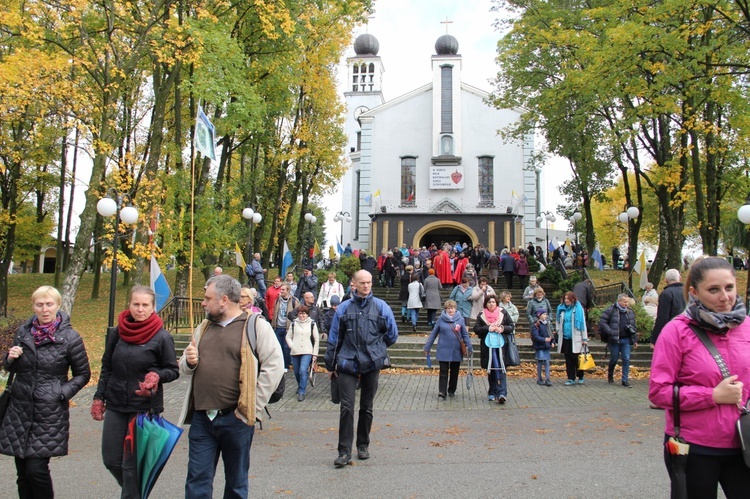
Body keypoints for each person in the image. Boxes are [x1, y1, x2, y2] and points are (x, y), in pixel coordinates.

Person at [649, 256, 750, 498]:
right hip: (694, 447)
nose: (724, 297)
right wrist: (712, 395)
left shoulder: (747, 327)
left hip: (745, 444)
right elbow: (658, 392)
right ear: (694, 292)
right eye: (713, 290)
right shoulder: (677, 331)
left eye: (729, 288)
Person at [179, 274, 284, 498]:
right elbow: (184, 366)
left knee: (236, 484)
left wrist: (251, 407)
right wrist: (188, 361)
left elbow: (274, 366)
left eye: (208, 298)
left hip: (235, 419)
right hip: (202, 420)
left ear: (224, 300)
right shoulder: (203, 327)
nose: (203, 303)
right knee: (196, 482)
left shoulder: (255, 326)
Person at [0, 286, 91, 498]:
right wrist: (10, 358)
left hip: (48, 412)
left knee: (36, 470)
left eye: (49, 304)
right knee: (22, 473)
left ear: (58, 306)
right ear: (34, 307)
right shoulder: (23, 332)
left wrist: (60, 392)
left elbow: (82, 374)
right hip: (19, 410)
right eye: (40, 305)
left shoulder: (70, 338)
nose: (44, 309)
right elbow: (11, 368)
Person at [91, 285, 179, 498]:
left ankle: (133, 493)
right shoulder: (117, 333)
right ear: (129, 305)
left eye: (145, 305)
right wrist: (98, 397)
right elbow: (107, 367)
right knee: (112, 460)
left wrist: (157, 376)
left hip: (143, 408)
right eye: (136, 304)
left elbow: (173, 370)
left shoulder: (161, 337)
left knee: (131, 467)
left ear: (153, 308)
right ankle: (137, 493)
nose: (140, 309)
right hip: (116, 404)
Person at [324, 270, 398, 468]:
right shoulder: (343, 309)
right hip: (347, 362)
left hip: (372, 363)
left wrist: (378, 349)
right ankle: (344, 451)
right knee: (346, 407)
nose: (366, 286)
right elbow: (334, 339)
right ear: (353, 284)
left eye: (369, 282)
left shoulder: (382, 307)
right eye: (362, 283)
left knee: (367, 406)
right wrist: (330, 365)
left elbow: (392, 334)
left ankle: (363, 445)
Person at [424, 299, 473, 399]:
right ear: (445, 309)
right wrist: (427, 346)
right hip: (443, 349)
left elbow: (465, 334)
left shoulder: (460, 319)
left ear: (455, 309)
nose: (450, 310)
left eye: (452, 308)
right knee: (443, 371)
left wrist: (469, 346)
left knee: (454, 371)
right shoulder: (441, 319)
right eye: (448, 308)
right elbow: (434, 334)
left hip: (456, 349)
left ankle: (451, 390)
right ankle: (442, 391)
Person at [474, 294, 515, 403]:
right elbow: (476, 329)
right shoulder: (481, 315)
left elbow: (511, 326)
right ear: (486, 304)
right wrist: (488, 328)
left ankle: (502, 393)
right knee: (490, 368)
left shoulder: (503, 313)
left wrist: (502, 328)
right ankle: (492, 391)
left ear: (496, 303)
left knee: (501, 368)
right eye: (489, 302)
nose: (491, 304)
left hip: (502, 346)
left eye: (493, 302)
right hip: (488, 346)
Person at [599, 293, 638, 387]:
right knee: (614, 358)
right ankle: (610, 375)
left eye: (627, 302)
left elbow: (633, 326)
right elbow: (602, 322)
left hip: (626, 339)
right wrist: (610, 331)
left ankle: (625, 380)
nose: (626, 304)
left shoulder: (630, 312)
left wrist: (635, 339)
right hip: (614, 339)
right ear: (619, 301)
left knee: (626, 359)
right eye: (625, 302)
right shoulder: (611, 310)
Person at [286, 305, 320, 401]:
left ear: (307, 314)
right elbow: (288, 337)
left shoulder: (312, 323)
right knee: (296, 372)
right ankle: (300, 384)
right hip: (295, 351)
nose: (301, 315)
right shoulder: (294, 323)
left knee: (303, 370)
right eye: (300, 313)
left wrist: (315, 354)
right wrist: (292, 345)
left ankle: (302, 391)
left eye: (303, 313)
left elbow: (316, 339)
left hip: (307, 351)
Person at [556, 291, 589, 385]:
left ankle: (580, 375)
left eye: (568, 299)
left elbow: (582, 324)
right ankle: (570, 377)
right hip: (565, 337)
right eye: (565, 298)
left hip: (576, 337)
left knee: (576, 358)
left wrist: (584, 339)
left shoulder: (578, 309)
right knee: (568, 358)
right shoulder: (561, 309)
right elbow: (558, 321)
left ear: (573, 299)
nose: (566, 300)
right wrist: (558, 330)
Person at [651, 268, 686, 346]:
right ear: (680, 278)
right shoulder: (689, 292)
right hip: (689, 332)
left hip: (673, 334)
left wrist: (655, 339)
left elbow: (662, 317)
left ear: (666, 280)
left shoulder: (666, 294)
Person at [272, 284, 300, 371]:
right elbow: (275, 313)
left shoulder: (294, 301)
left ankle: (286, 365)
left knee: (286, 347)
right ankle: (279, 365)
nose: (281, 291)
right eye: (281, 289)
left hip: (288, 328)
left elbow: (298, 314)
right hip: (278, 327)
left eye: (283, 290)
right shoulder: (277, 300)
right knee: (277, 347)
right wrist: (273, 325)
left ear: (288, 290)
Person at [531, 308, 555, 386]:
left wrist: (552, 341)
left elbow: (550, 334)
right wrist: (544, 339)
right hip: (540, 346)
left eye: (546, 314)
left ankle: (547, 378)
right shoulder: (536, 325)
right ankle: (539, 378)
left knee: (547, 362)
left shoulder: (547, 324)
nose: (545, 316)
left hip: (546, 346)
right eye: (544, 314)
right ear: (539, 315)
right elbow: (535, 336)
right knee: (540, 362)